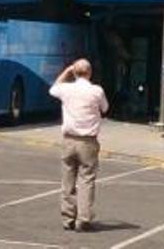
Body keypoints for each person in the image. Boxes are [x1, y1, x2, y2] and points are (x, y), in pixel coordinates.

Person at [49, 59, 109, 233]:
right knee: (87, 180)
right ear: (89, 73)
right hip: (88, 141)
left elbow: (52, 88)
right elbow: (105, 108)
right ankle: (83, 219)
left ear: (75, 73)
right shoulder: (96, 91)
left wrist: (67, 71)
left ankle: (68, 218)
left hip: (68, 139)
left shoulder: (66, 89)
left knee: (67, 180)